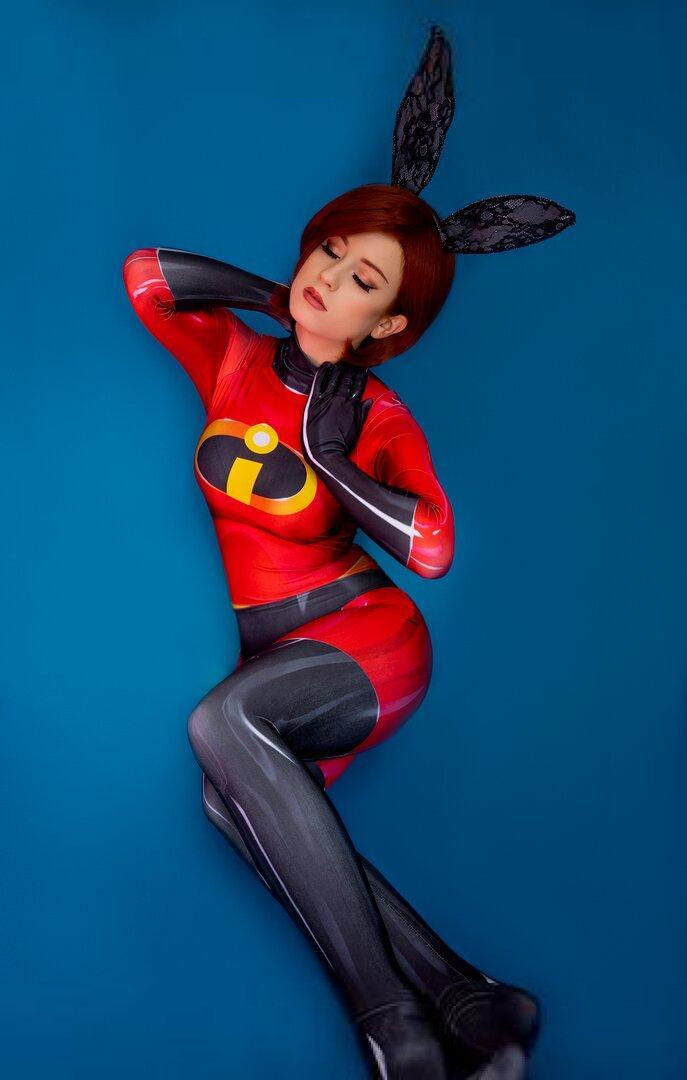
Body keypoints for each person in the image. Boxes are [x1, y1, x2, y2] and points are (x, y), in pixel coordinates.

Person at [122, 26, 574, 1080]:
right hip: (274, 652)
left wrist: (333, 463)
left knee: (219, 726)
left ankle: (394, 1027)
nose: (329, 276)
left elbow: (432, 546)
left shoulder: (376, 415)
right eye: (329, 249)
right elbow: (147, 278)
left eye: (361, 277)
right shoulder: (233, 359)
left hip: (365, 641)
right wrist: (271, 300)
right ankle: (475, 1002)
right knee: (234, 805)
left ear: (390, 322)